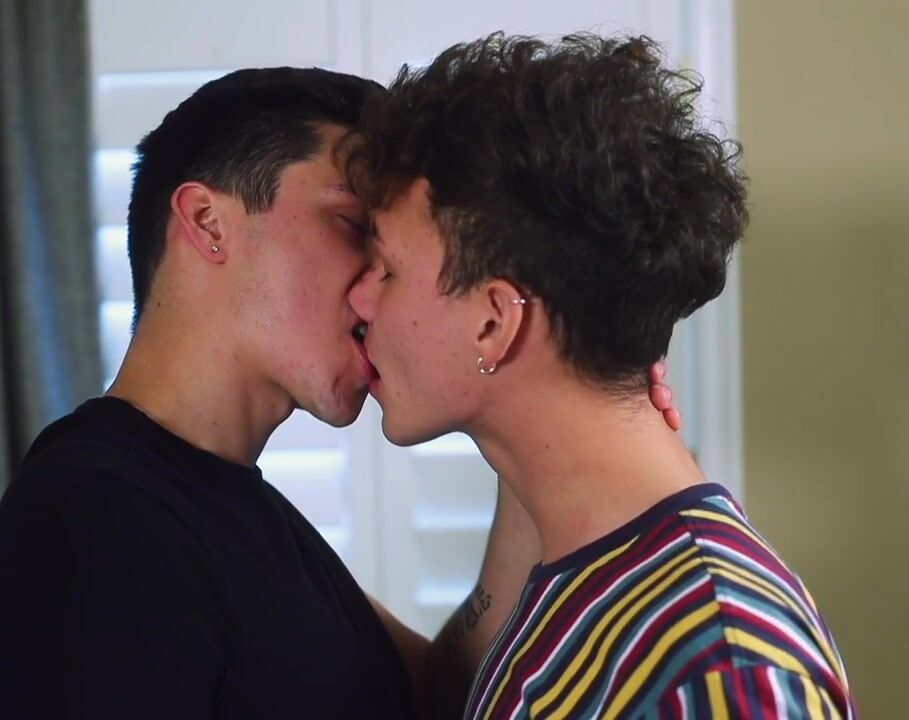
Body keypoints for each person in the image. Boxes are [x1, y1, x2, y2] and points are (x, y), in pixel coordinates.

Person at [0, 65, 678, 719]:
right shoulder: (95, 518)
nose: (378, 287)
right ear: (207, 223)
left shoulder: (232, 506)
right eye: (354, 226)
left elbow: (441, 695)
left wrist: (530, 415)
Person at [344, 33, 857, 718]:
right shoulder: (579, 572)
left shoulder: (718, 669)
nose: (359, 299)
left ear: (494, 323)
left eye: (387, 270)